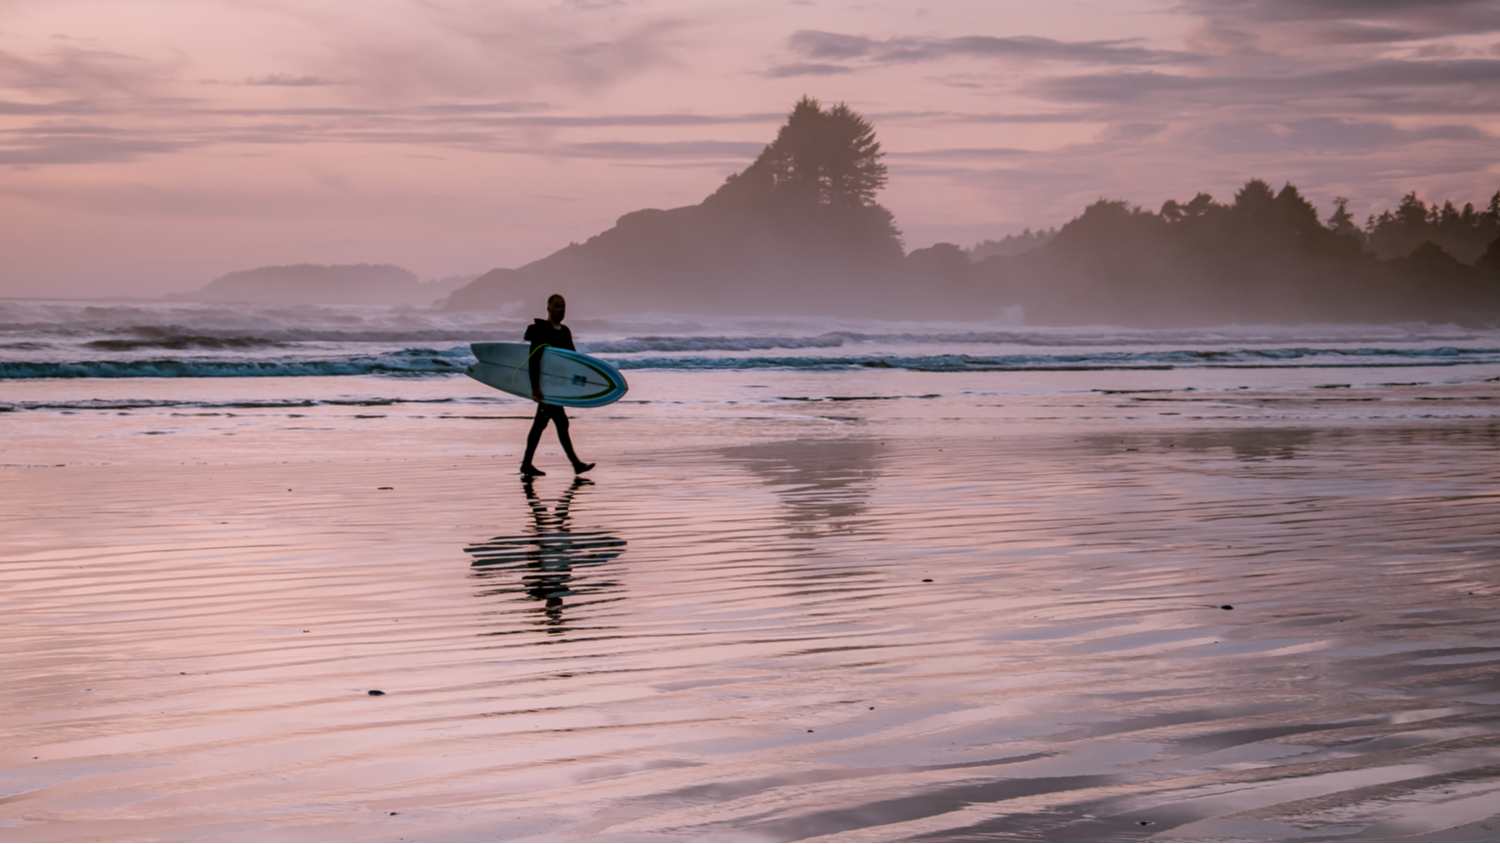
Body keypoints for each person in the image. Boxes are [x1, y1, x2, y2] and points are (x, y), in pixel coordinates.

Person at [520, 294, 594, 476]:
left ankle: (526, 464)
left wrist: (579, 381)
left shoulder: (565, 331)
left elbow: (573, 360)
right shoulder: (542, 330)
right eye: (557, 306)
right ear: (548, 308)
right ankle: (576, 464)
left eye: (563, 307)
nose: (560, 310)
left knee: (540, 425)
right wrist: (535, 387)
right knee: (561, 422)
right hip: (546, 386)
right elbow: (533, 360)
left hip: (558, 386)